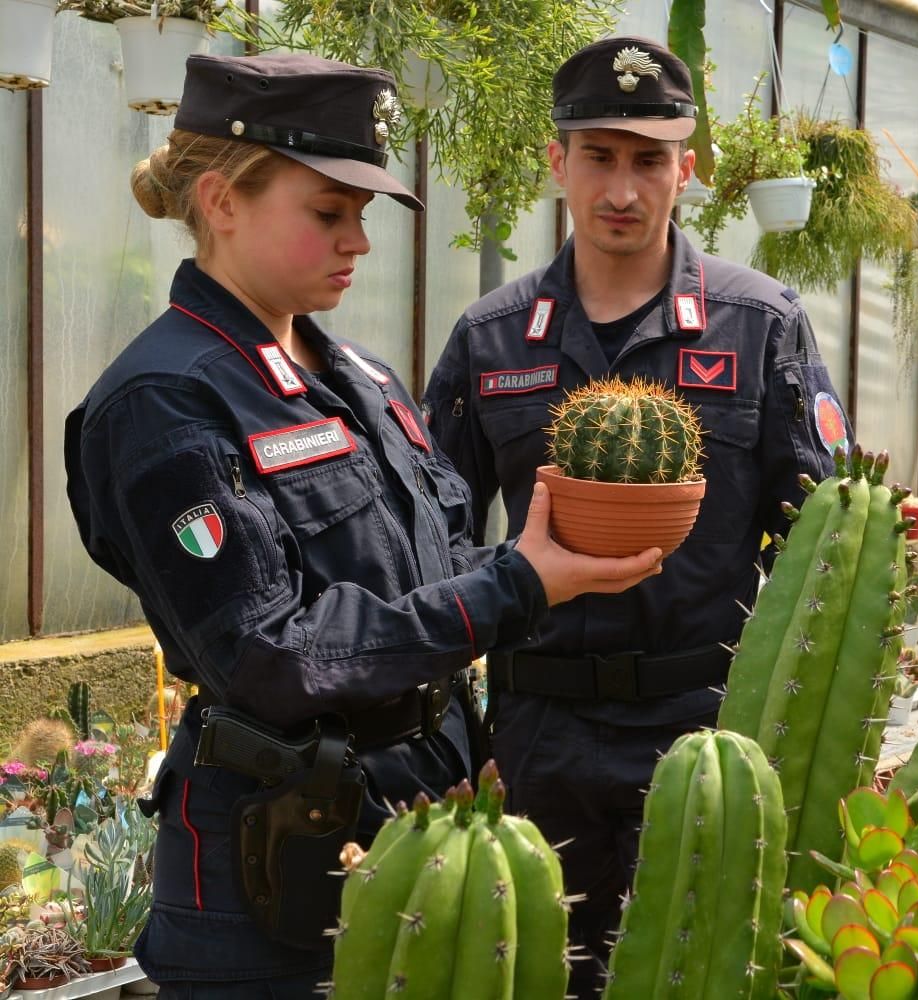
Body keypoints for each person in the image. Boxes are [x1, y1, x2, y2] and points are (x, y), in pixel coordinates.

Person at [64, 52, 663, 997]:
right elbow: (272, 653)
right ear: (222, 202)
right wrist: (515, 585)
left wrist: (545, 556)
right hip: (278, 861)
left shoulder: (362, 380)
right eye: (327, 213)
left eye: (363, 217)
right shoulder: (165, 402)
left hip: (418, 820)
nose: (358, 243)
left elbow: (432, 565)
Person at [423, 35, 850, 997]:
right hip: (541, 729)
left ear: (685, 170)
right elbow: (434, 535)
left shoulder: (760, 324)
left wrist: (799, 732)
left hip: (705, 729)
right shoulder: (492, 340)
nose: (623, 189)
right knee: (541, 976)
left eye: (649, 159)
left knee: (702, 973)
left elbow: (829, 537)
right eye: (600, 156)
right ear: (557, 162)